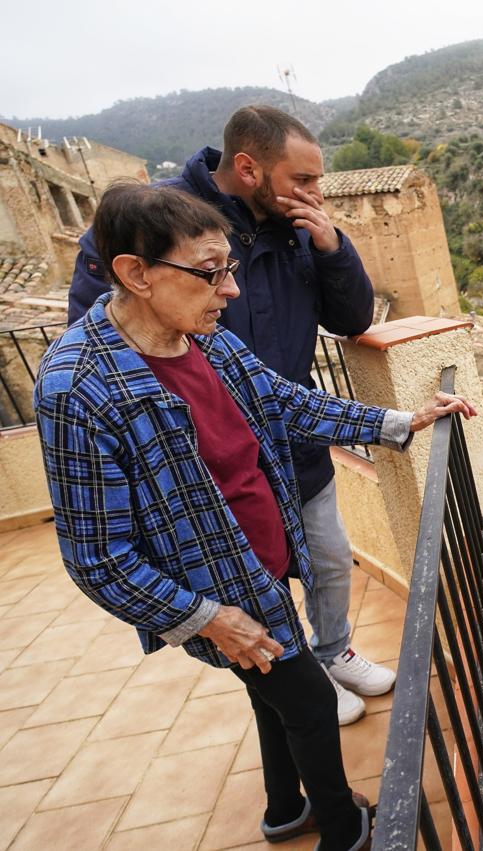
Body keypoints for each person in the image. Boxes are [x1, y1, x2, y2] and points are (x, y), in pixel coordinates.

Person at [38, 182, 477, 850]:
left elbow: (282, 401)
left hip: (264, 561)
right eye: (210, 273)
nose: (230, 290)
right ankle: (343, 827)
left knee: (271, 693)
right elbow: (98, 556)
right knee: (307, 699)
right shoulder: (78, 386)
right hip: (218, 591)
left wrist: (397, 421)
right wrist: (208, 618)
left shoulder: (204, 338)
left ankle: (282, 809)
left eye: (230, 270)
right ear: (135, 273)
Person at [70, 105, 388, 724]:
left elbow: (352, 321)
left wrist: (332, 247)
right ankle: (300, 683)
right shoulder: (150, 226)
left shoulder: (296, 228)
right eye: (303, 181)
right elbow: (104, 333)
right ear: (247, 168)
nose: (316, 195)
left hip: (294, 446)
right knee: (255, 585)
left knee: (326, 560)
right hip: (213, 461)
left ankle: (330, 653)